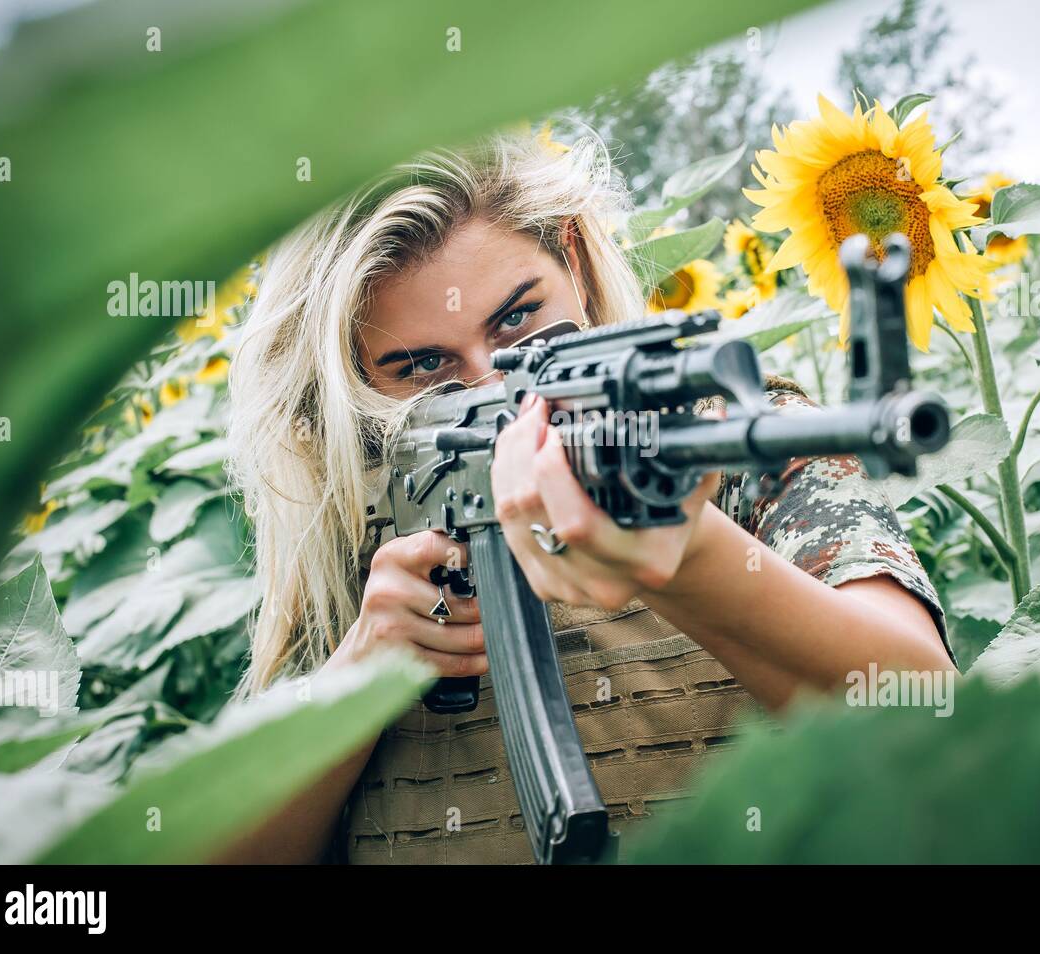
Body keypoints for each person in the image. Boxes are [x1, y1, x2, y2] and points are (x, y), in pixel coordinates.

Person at [220, 127, 954, 864]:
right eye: (424, 368)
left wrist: (689, 555)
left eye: (518, 320)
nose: (496, 385)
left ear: (570, 252)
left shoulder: (738, 442)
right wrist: (356, 684)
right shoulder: (358, 550)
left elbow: (935, 717)